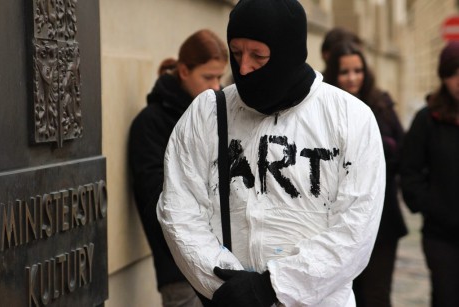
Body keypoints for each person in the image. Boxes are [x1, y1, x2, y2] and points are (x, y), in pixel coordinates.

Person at [157, 1, 386, 306]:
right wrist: (228, 286)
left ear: (287, 54)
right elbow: (179, 210)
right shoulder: (208, 114)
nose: (243, 68)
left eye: (258, 56)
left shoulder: (350, 119)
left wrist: (273, 286)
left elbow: (356, 228)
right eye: (236, 54)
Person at [128, 29, 228, 307]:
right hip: (181, 274)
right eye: (208, 77)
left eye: (220, 77)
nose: (216, 87)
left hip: (226, 266)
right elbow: (157, 203)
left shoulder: (215, 117)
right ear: (184, 71)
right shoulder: (151, 123)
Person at [323, 41, 408, 307]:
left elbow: (404, 152)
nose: (352, 78)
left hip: (382, 218)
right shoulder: (326, 108)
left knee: (376, 295)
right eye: (345, 72)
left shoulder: (381, 105)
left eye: (357, 70)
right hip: (338, 220)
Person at [400, 41, 459, 307]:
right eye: (454, 73)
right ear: (444, 76)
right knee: (446, 297)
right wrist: (431, 206)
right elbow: (409, 170)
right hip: (441, 235)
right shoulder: (428, 118)